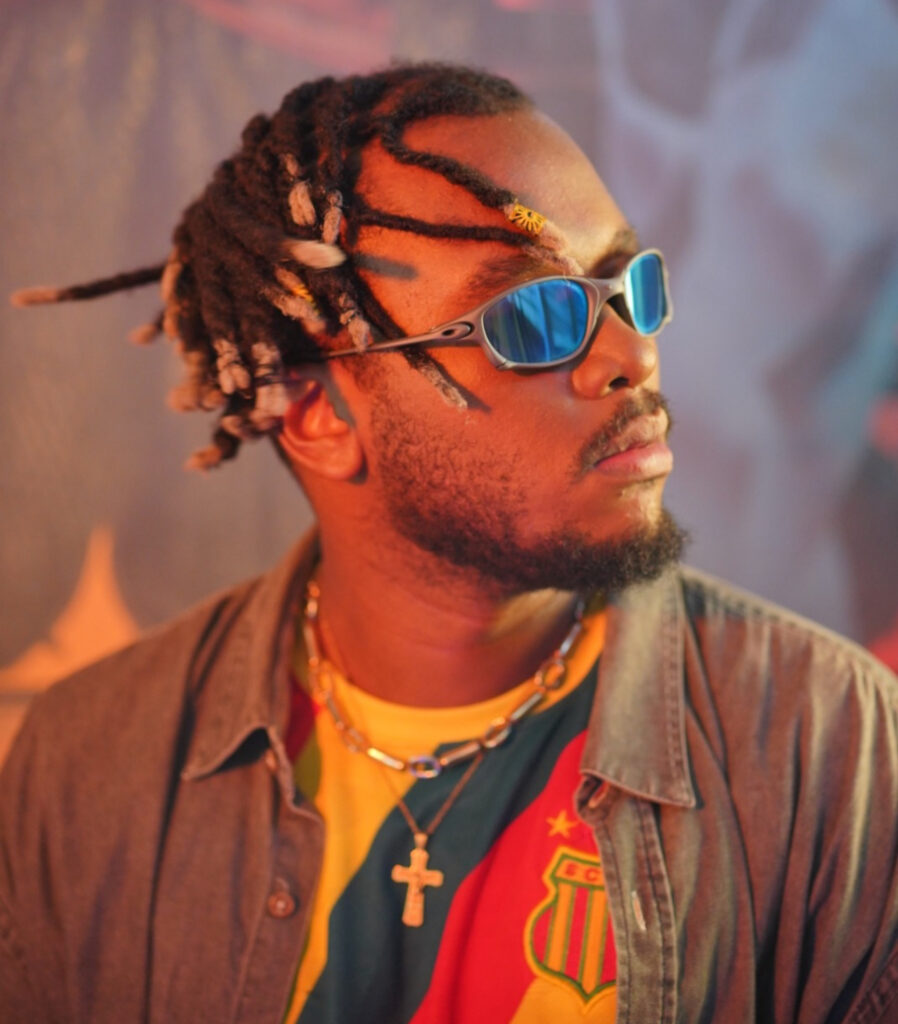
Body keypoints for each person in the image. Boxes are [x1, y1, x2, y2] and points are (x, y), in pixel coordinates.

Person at [2, 63, 896, 1024]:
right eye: (534, 317)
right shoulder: (85, 774)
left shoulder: (834, 755)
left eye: (630, 286)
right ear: (318, 415)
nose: (632, 356)